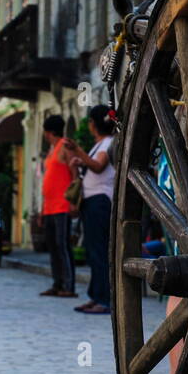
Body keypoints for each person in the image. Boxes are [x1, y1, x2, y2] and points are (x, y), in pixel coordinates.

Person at [64, 105, 116, 313]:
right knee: (92, 252)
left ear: (93, 124)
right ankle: (95, 295)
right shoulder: (99, 144)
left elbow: (98, 166)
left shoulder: (108, 144)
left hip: (100, 201)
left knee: (99, 251)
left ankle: (104, 299)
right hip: (91, 201)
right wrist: (77, 162)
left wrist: (78, 151)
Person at [39, 113, 78, 298]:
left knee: (62, 246)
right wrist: (41, 209)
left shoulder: (65, 146)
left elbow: (74, 173)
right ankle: (57, 283)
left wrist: (73, 201)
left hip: (62, 205)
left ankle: (69, 286)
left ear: (49, 132)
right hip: (49, 206)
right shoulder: (51, 149)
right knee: (53, 246)